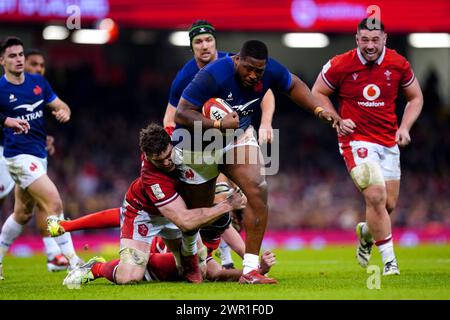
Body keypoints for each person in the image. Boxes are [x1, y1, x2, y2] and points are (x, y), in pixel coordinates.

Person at [175, 39, 348, 284]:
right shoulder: (213, 75)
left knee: (258, 189)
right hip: (198, 145)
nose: (254, 75)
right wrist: (217, 124)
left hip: (235, 138)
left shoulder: (270, 71)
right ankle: (189, 259)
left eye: (259, 71)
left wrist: (319, 110)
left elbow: (294, 84)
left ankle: (250, 270)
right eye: (249, 69)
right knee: (199, 212)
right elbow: (182, 112)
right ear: (238, 60)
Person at [52, 122, 245, 286]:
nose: (168, 163)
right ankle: (96, 268)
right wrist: (227, 205)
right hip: (144, 213)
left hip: (177, 211)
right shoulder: (152, 176)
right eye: (159, 161)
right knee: (128, 278)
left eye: (169, 156)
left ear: (170, 141)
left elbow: (176, 111)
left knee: (200, 272)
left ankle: (177, 263)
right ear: (147, 156)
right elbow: (184, 221)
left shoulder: (176, 135)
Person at [311, 18, 423, 275]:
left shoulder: (398, 63)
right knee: (375, 196)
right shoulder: (340, 64)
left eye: (375, 39)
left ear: (385, 38)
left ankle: (366, 232)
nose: (370, 45)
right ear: (356, 39)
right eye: (365, 39)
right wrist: (336, 119)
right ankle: (390, 263)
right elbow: (317, 92)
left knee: (387, 205)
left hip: (387, 140)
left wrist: (404, 127)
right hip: (356, 139)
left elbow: (416, 97)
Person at [164, 20, 276, 269]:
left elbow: (266, 92)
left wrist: (266, 123)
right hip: (201, 145)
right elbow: (171, 117)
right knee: (218, 202)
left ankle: (240, 261)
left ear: (216, 42)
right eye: (198, 42)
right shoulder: (184, 77)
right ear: (191, 47)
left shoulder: (236, 64)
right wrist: (172, 150)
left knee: (246, 195)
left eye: (208, 40)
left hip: (238, 139)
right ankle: (212, 256)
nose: (204, 46)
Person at [0, 36, 84, 280]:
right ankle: (74, 262)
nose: (18, 59)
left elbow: (60, 105)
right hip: (18, 156)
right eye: (13, 56)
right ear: (2, 60)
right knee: (54, 202)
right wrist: (7, 121)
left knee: (22, 213)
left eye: (20, 55)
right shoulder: (2, 88)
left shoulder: (38, 83)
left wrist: (63, 112)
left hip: (38, 153)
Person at [23, 48, 68, 272]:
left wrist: (44, 139)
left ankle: (53, 255)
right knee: (41, 204)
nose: (39, 69)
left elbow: (60, 107)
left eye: (42, 65)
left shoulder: (40, 89)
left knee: (37, 206)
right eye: (34, 64)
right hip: (9, 153)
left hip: (32, 153)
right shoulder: (7, 89)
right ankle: (66, 258)